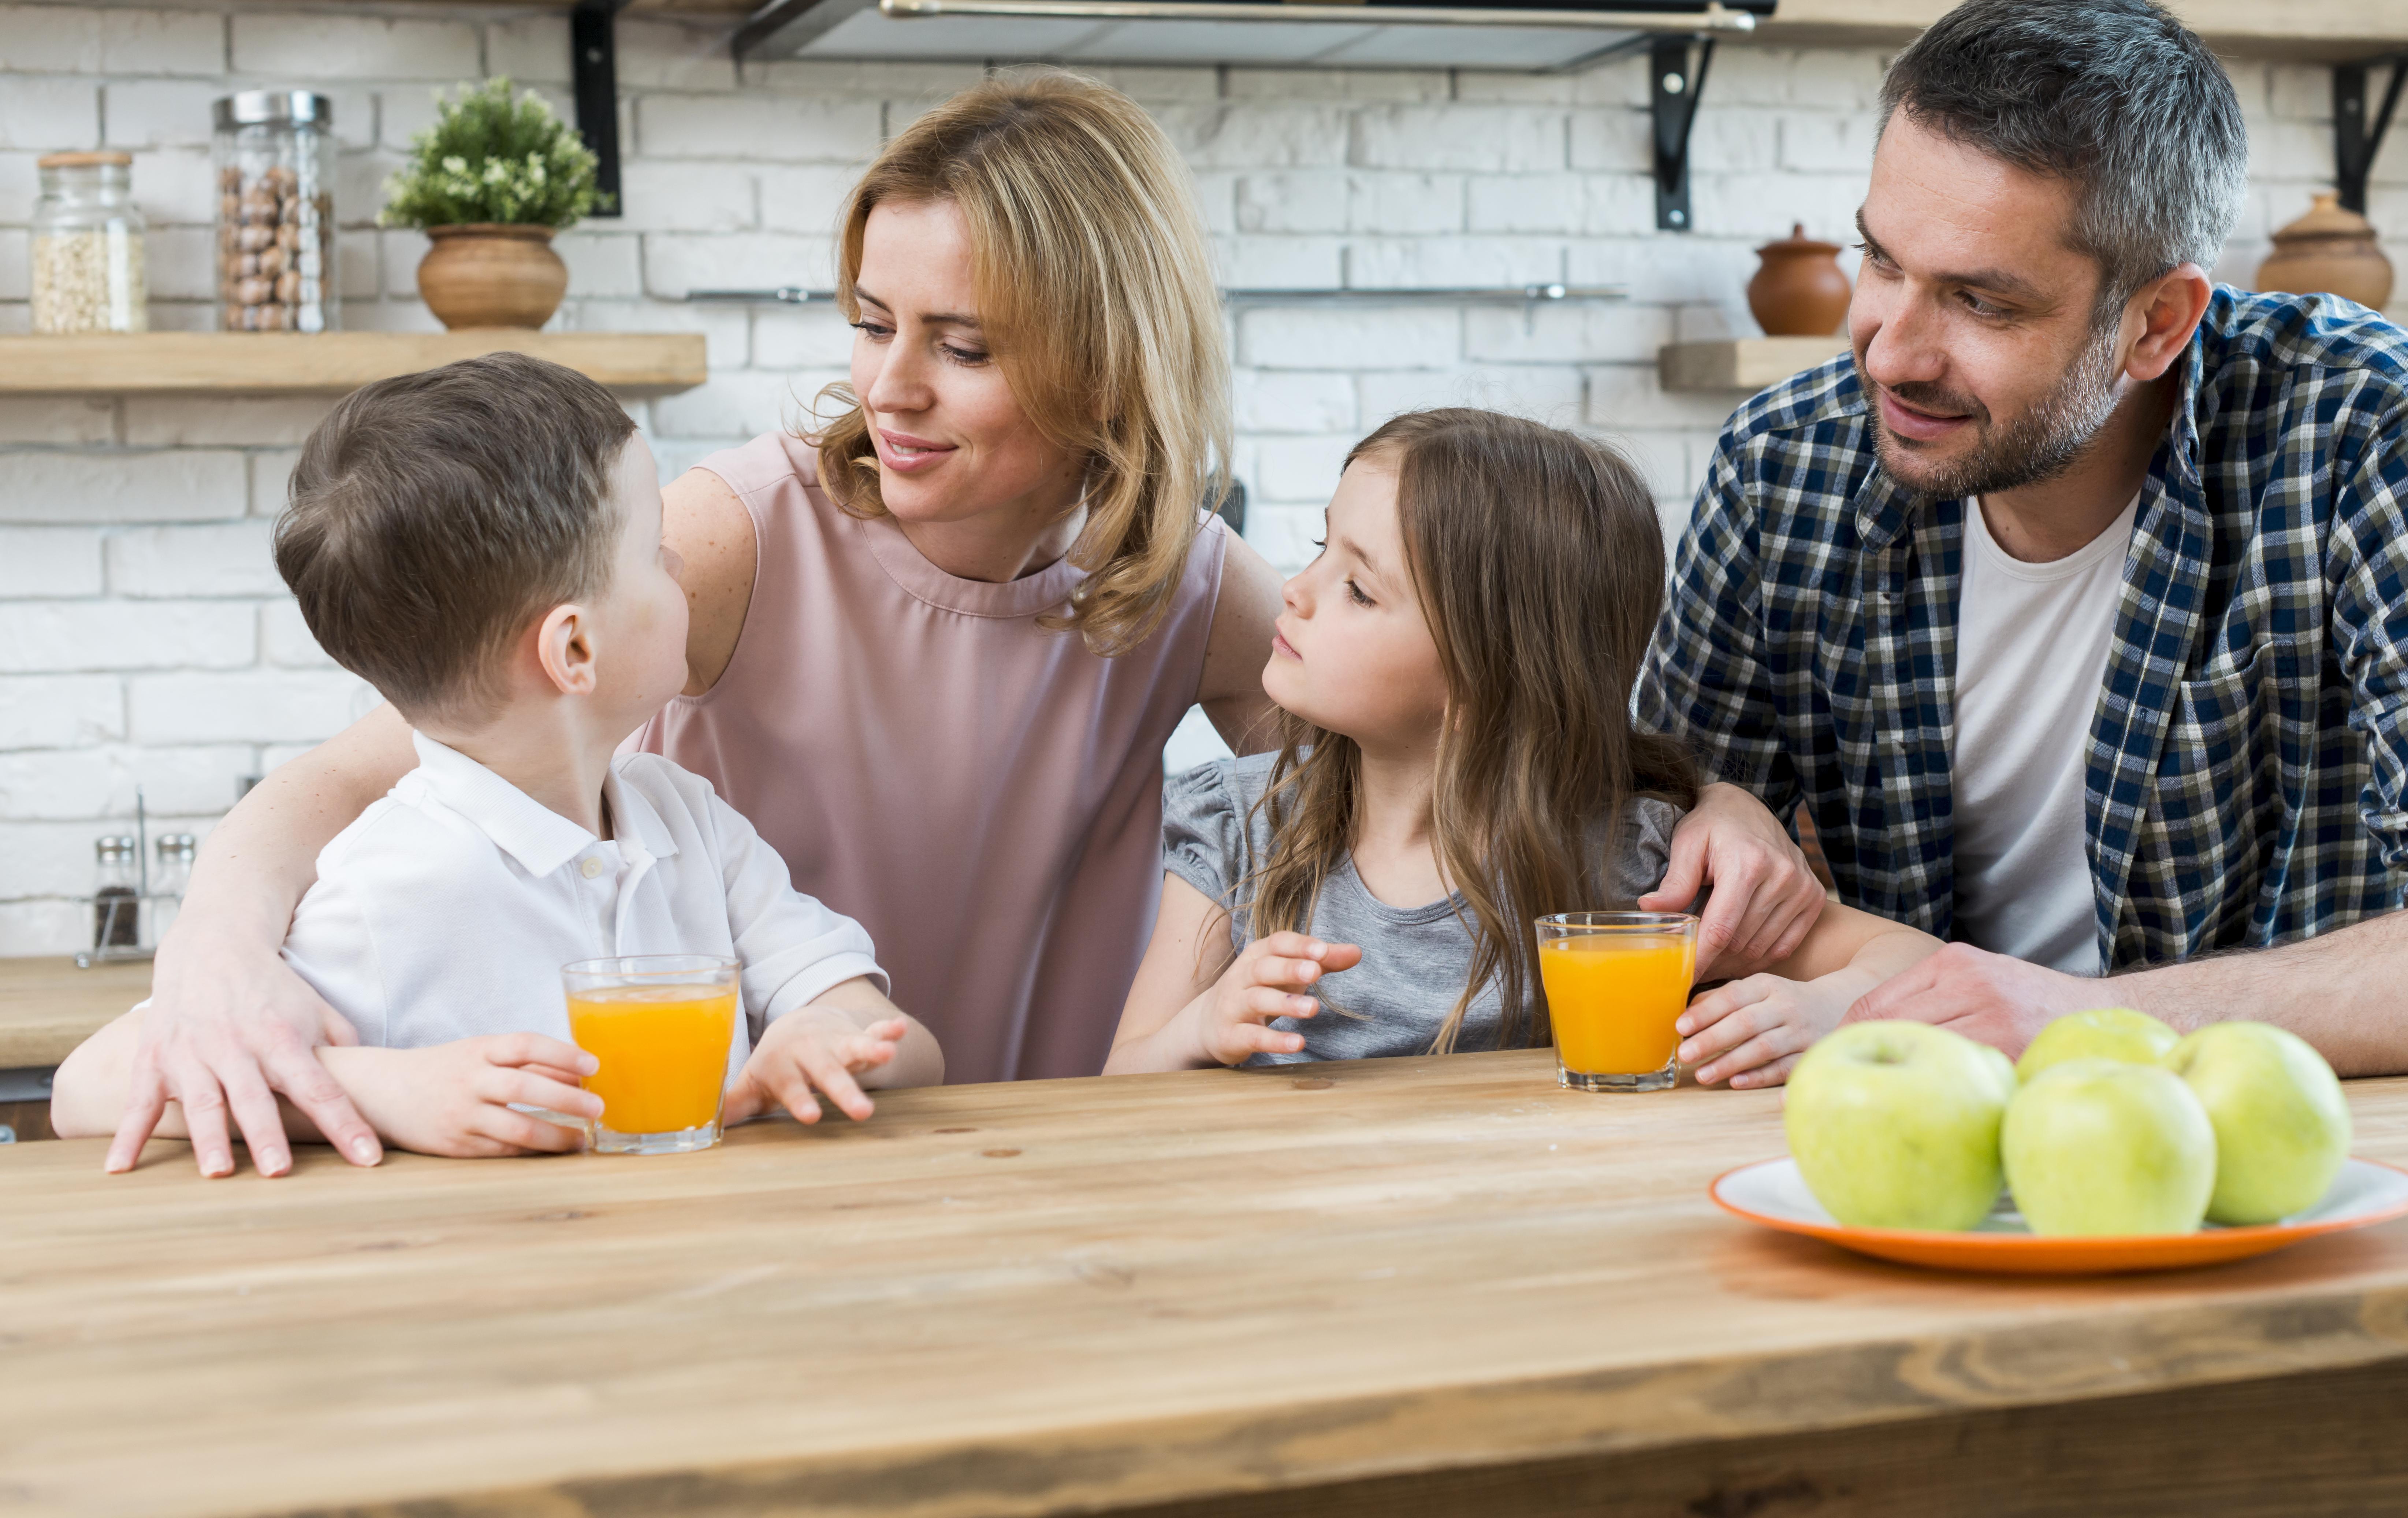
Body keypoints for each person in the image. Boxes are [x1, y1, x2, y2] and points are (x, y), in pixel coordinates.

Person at [112, 69, 1813, 1177]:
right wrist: (213, 967)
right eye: (870, 322)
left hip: (1030, 1158)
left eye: (967, 344)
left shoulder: (1171, 580)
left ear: (1098, 357)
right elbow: (364, 773)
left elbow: (1448, 734)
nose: (894, 387)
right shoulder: (734, 534)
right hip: (761, 1159)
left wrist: (1699, 806)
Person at [1639, 0, 2408, 1076]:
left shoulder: (2371, 427)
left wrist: (2084, 1024)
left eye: (1982, 301)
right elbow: (1652, 848)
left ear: (2158, 323)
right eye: (1881, 259)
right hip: (1891, 1134)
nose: (1889, 352)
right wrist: (1712, 804)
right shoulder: (1785, 468)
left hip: (2267, 1158)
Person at [55, 356, 941, 1170]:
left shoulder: (691, 822)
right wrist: (381, 1091)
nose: (680, 561)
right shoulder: (388, 886)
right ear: (575, 650)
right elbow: (86, 1086)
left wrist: (828, 1041)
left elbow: (903, 1042)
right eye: (650, 551)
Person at [1109, 409, 1935, 1086]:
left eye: (1359, 588)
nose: (1295, 589)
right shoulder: (1240, 827)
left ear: (1482, 680)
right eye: (1325, 548)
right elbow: (1120, 1085)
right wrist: (1200, 1031)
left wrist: (1834, 1009)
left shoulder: (1636, 871)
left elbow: (1913, 960)